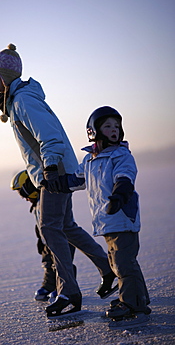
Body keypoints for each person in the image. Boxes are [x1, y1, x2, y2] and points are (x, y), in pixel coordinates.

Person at [0, 44, 117, 317]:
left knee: (49, 228)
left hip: (54, 173)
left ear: (6, 76)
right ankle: (108, 269)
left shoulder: (23, 101)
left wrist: (49, 171)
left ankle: (68, 292)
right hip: (55, 171)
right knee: (66, 226)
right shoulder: (19, 101)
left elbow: (50, 137)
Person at [59, 106, 151, 320]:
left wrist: (120, 195)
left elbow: (125, 176)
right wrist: (57, 183)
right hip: (106, 221)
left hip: (122, 217)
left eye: (117, 126)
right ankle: (139, 298)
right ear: (93, 130)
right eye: (108, 126)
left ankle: (130, 303)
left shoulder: (121, 155)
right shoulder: (90, 160)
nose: (114, 129)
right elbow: (77, 180)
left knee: (123, 263)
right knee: (119, 262)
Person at [11, 169, 77, 302]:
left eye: (22, 193)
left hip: (61, 239)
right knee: (48, 263)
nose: (24, 198)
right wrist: (41, 240)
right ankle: (49, 285)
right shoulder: (36, 205)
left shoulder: (48, 200)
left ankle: (66, 288)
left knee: (61, 263)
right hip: (47, 241)